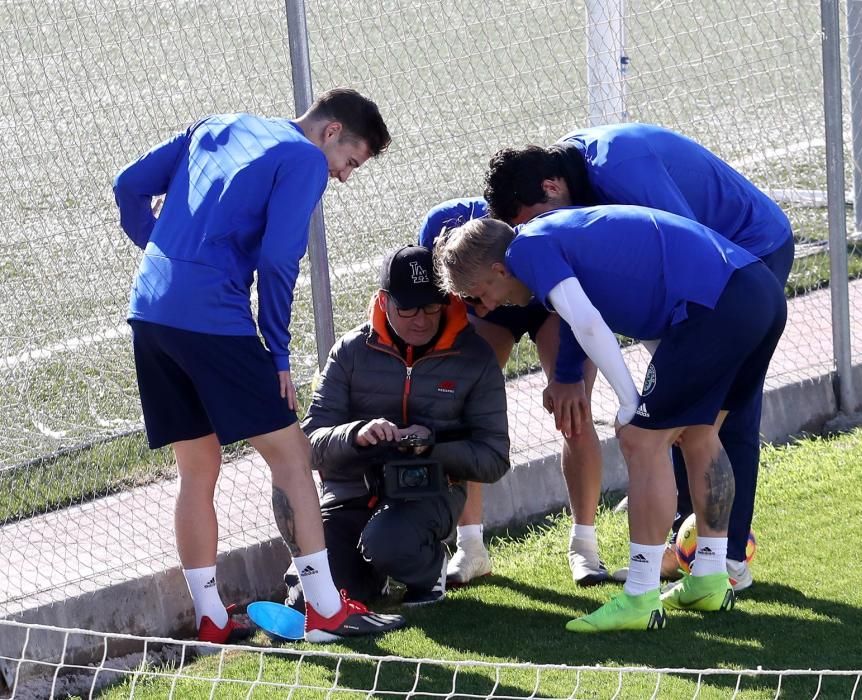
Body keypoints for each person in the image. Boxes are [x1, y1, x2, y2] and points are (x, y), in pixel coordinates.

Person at [113, 87, 405, 644]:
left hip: (149, 311)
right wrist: (276, 351)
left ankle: (212, 618)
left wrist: (163, 255)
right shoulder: (302, 159)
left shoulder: (214, 122)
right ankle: (324, 611)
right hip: (212, 321)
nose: (343, 176)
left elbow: (127, 186)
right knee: (293, 458)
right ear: (330, 132)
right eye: (350, 162)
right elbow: (277, 260)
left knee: (197, 470)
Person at [434, 205, 787, 632]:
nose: (486, 307)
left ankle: (640, 595)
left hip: (717, 304)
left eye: (479, 292)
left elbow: (587, 324)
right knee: (701, 433)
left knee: (640, 439)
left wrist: (628, 401)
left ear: (498, 268)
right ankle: (710, 577)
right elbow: (595, 313)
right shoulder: (547, 237)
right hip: (757, 292)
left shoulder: (527, 250)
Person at [484, 122, 795, 589]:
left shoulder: (619, 165)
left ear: (551, 186)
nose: (536, 235)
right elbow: (583, 295)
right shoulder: (573, 186)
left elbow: (694, 245)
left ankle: (724, 557)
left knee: (716, 416)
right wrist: (567, 372)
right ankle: (694, 552)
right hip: (716, 281)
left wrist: (627, 393)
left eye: (535, 220)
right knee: (681, 415)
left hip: (748, 256)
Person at [284, 244, 509, 608]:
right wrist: (356, 434)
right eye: (407, 308)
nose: (421, 319)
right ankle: (373, 580)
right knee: (310, 599)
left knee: (388, 542)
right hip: (349, 492)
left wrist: (431, 444)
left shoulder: (475, 357)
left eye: (431, 306)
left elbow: (495, 459)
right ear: (383, 300)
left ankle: (428, 570)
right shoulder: (349, 351)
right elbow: (308, 444)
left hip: (428, 491)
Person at [418, 198, 609, 588]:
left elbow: (579, 305)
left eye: (476, 295)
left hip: (550, 303)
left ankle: (584, 548)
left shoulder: (539, 237)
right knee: (456, 409)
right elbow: (444, 311)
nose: (482, 309)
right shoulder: (439, 237)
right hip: (496, 287)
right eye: (467, 297)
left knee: (574, 411)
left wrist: (567, 377)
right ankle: (470, 547)